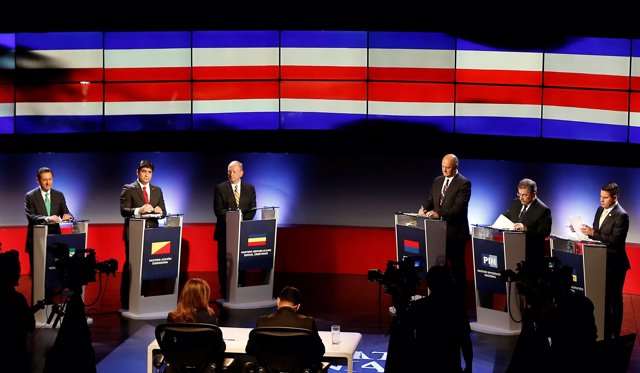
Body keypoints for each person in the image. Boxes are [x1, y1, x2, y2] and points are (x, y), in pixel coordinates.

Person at [579, 182, 630, 340]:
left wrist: (592, 233)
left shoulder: (622, 215)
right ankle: (603, 329)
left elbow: (614, 240)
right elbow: (598, 234)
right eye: (600, 197)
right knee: (602, 299)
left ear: (615, 198)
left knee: (614, 300)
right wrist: (585, 230)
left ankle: (615, 333)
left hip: (614, 265)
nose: (601, 200)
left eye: (605, 198)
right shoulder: (599, 210)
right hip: (599, 262)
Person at [419, 154, 472, 299]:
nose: (445, 170)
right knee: (440, 266)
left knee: (457, 267)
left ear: (455, 167)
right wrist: (423, 208)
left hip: (455, 233)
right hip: (437, 232)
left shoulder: (464, 183)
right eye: (443, 166)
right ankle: (441, 296)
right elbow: (431, 199)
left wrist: (439, 214)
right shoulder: (437, 181)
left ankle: (459, 298)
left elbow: (458, 209)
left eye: (448, 167)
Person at [119, 160, 167, 310]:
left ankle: (144, 298)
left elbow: (164, 211)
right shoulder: (129, 188)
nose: (146, 175)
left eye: (149, 172)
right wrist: (139, 210)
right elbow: (123, 211)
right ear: (137, 172)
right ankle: (127, 301)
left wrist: (160, 211)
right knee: (132, 267)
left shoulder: (157, 190)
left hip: (151, 234)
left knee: (147, 267)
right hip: (134, 234)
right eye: (144, 171)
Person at [407, 265, 473, 373]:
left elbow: (407, 337)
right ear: (451, 283)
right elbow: (465, 341)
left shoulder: (418, 306)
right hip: (451, 367)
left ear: (428, 284)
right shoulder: (456, 308)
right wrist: (469, 366)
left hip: (424, 365)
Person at [246, 285, 324, 365]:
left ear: (278, 301)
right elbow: (320, 350)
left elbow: (250, 350)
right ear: (298, 306)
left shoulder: (262, 321)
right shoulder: (308, 322)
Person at [213, 160, 256, 300]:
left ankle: (241, 287)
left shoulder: (250, 188)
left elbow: (252, 210)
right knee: (223, 263)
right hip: (225, 232)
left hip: (243, 232)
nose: (231, 174)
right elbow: (219, 211)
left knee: (242, 261)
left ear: (241, 173)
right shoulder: (220, 188)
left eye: (234, 171)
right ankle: (225, 291)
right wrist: (234, 218)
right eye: (229, 171)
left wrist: (240, 220)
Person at [24, 166, 73, 276]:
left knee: (55, 275)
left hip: (55, 242)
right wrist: (47, 218)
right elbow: (31, 216)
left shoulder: (59, 195)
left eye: (50, 179)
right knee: (38, 277)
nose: (48, 183)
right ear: (38, 180)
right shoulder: (30, 196)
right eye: (44, 179)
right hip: (37, 241)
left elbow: (66, 212)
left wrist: (68, 216)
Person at [0, 248, 36, 373]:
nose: (20, 272)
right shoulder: (18, 300)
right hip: (17, 360)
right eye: (17, 268)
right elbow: (30, 326)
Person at [502, 178, 552, 267]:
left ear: (534, 194)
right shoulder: (516, 202)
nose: (521, 198)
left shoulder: (543, 210)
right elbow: (507, 217)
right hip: (512, 249)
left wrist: (525, 228)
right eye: (519, 194)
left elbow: (544, 233)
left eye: (525, 195)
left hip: (531, 254)